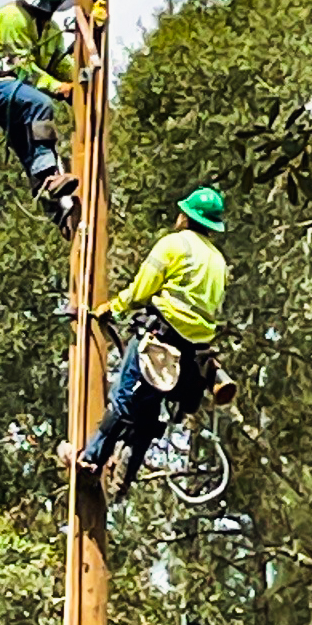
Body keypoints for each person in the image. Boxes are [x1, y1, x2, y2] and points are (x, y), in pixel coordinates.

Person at [60, 187, 229, 497]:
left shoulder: (173, 245)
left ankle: (90, 459)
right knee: (148, 414)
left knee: (124, 400)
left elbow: (141, 291)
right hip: (190, 358)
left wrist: (113, 306)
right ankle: (125, 475)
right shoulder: (219, 262)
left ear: (185, 216)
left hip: (158, 341)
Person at [0, 0, 99, 230]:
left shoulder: (51, 30)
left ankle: (58, 209)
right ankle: (48, 175)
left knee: (30, 149)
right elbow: (23, 67)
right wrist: (57, 88)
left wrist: (75, 79)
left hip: (21, 93)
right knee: (40, 104)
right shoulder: (12, 17)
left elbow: (56, 63)